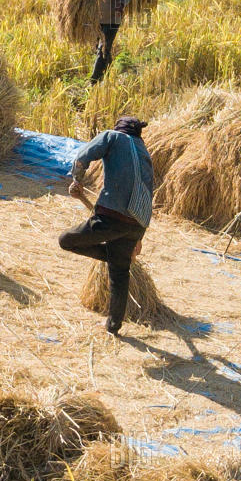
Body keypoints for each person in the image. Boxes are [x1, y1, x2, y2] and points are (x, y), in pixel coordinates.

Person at [59, 116, 154, 334]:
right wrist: (139, 238)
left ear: (119, 129)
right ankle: (113, 326)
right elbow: (149, 193)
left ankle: (113, 256)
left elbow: (83, 155)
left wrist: (77, 178)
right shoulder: (144, 152)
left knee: (66, 241)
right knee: (120, 273)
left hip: (112, 216)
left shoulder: (112, 136)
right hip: (137, 223)